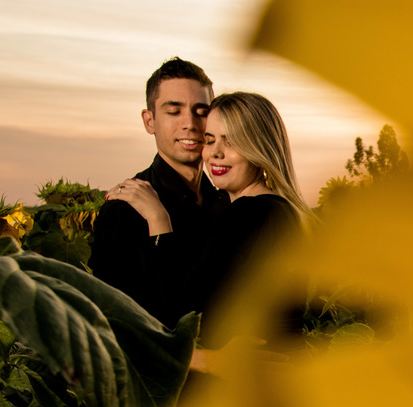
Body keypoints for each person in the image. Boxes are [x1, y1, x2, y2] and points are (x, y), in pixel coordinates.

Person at [114, 91, 311, 369]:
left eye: (232, 142)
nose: (215, 153)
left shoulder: (251, 213)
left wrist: (159, 220)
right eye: (210, 140)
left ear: (259, 148)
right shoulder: (278, 210)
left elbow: (180, 314)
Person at [90, 57, 228, 325]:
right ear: (149, 121)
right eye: (174, 111)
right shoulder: (124, 209)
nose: (190, 123)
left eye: (201, 111)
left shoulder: (225, 203)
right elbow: (117, 323)